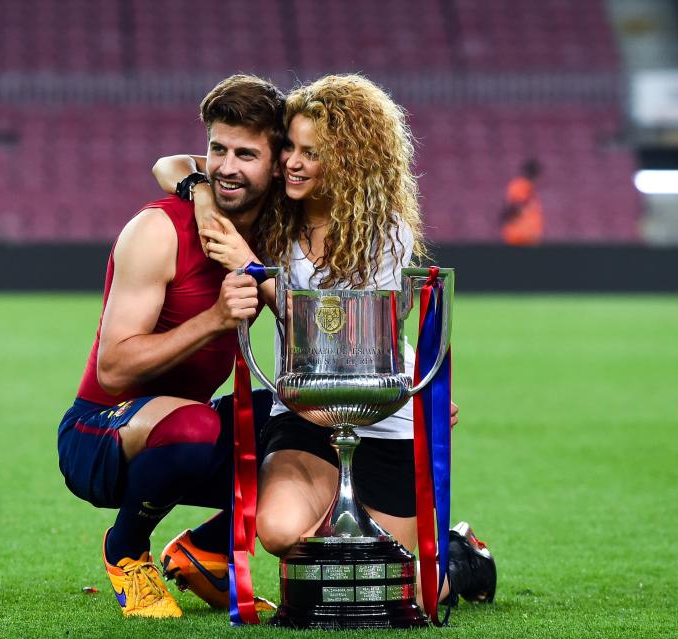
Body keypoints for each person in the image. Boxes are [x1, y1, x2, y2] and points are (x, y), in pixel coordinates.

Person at [153, 74, 496, 607]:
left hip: (383, 416)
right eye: (289, 145)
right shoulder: (274, 215)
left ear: (349, 160)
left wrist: (248, 265)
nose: (291, 161)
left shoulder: (385, 235)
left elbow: (334, 331)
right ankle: (311, 532)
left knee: (411, 593)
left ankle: (462, 557)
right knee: (280, 532)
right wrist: (200, 198)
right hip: (304, 413)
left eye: (311, 152)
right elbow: (169, 164)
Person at [56, 75, 286, 619]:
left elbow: (322, 329)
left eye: (246, 154)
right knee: (194, 428)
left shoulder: (271, 236)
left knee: (313, 432)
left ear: (277, 164)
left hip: (186, 424)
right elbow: (113, 368)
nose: (226, 167)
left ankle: (204, 551)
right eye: (217, 149)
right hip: (99, 434)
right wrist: (212, 320)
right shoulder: (158, 230)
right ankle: (126, 549)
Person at [501, 159, 544, 245]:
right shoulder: (521, 185)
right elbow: (516, 206)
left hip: (527, 237)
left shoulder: (528, 187)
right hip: (520, 236)